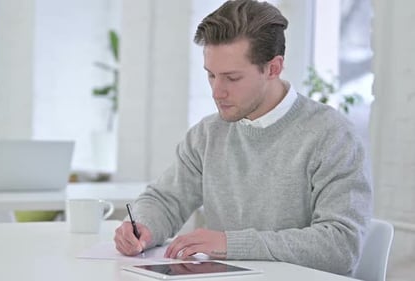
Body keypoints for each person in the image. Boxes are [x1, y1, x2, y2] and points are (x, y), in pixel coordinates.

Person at [114, 0, 372, 276]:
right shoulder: (208, 134)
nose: (216, 91)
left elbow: (341, 246)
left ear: (273, 68)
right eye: (211, 75)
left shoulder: (332, 136)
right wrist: (143, 226)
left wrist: (230, 243)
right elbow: (165, 199)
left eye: (232, 78)